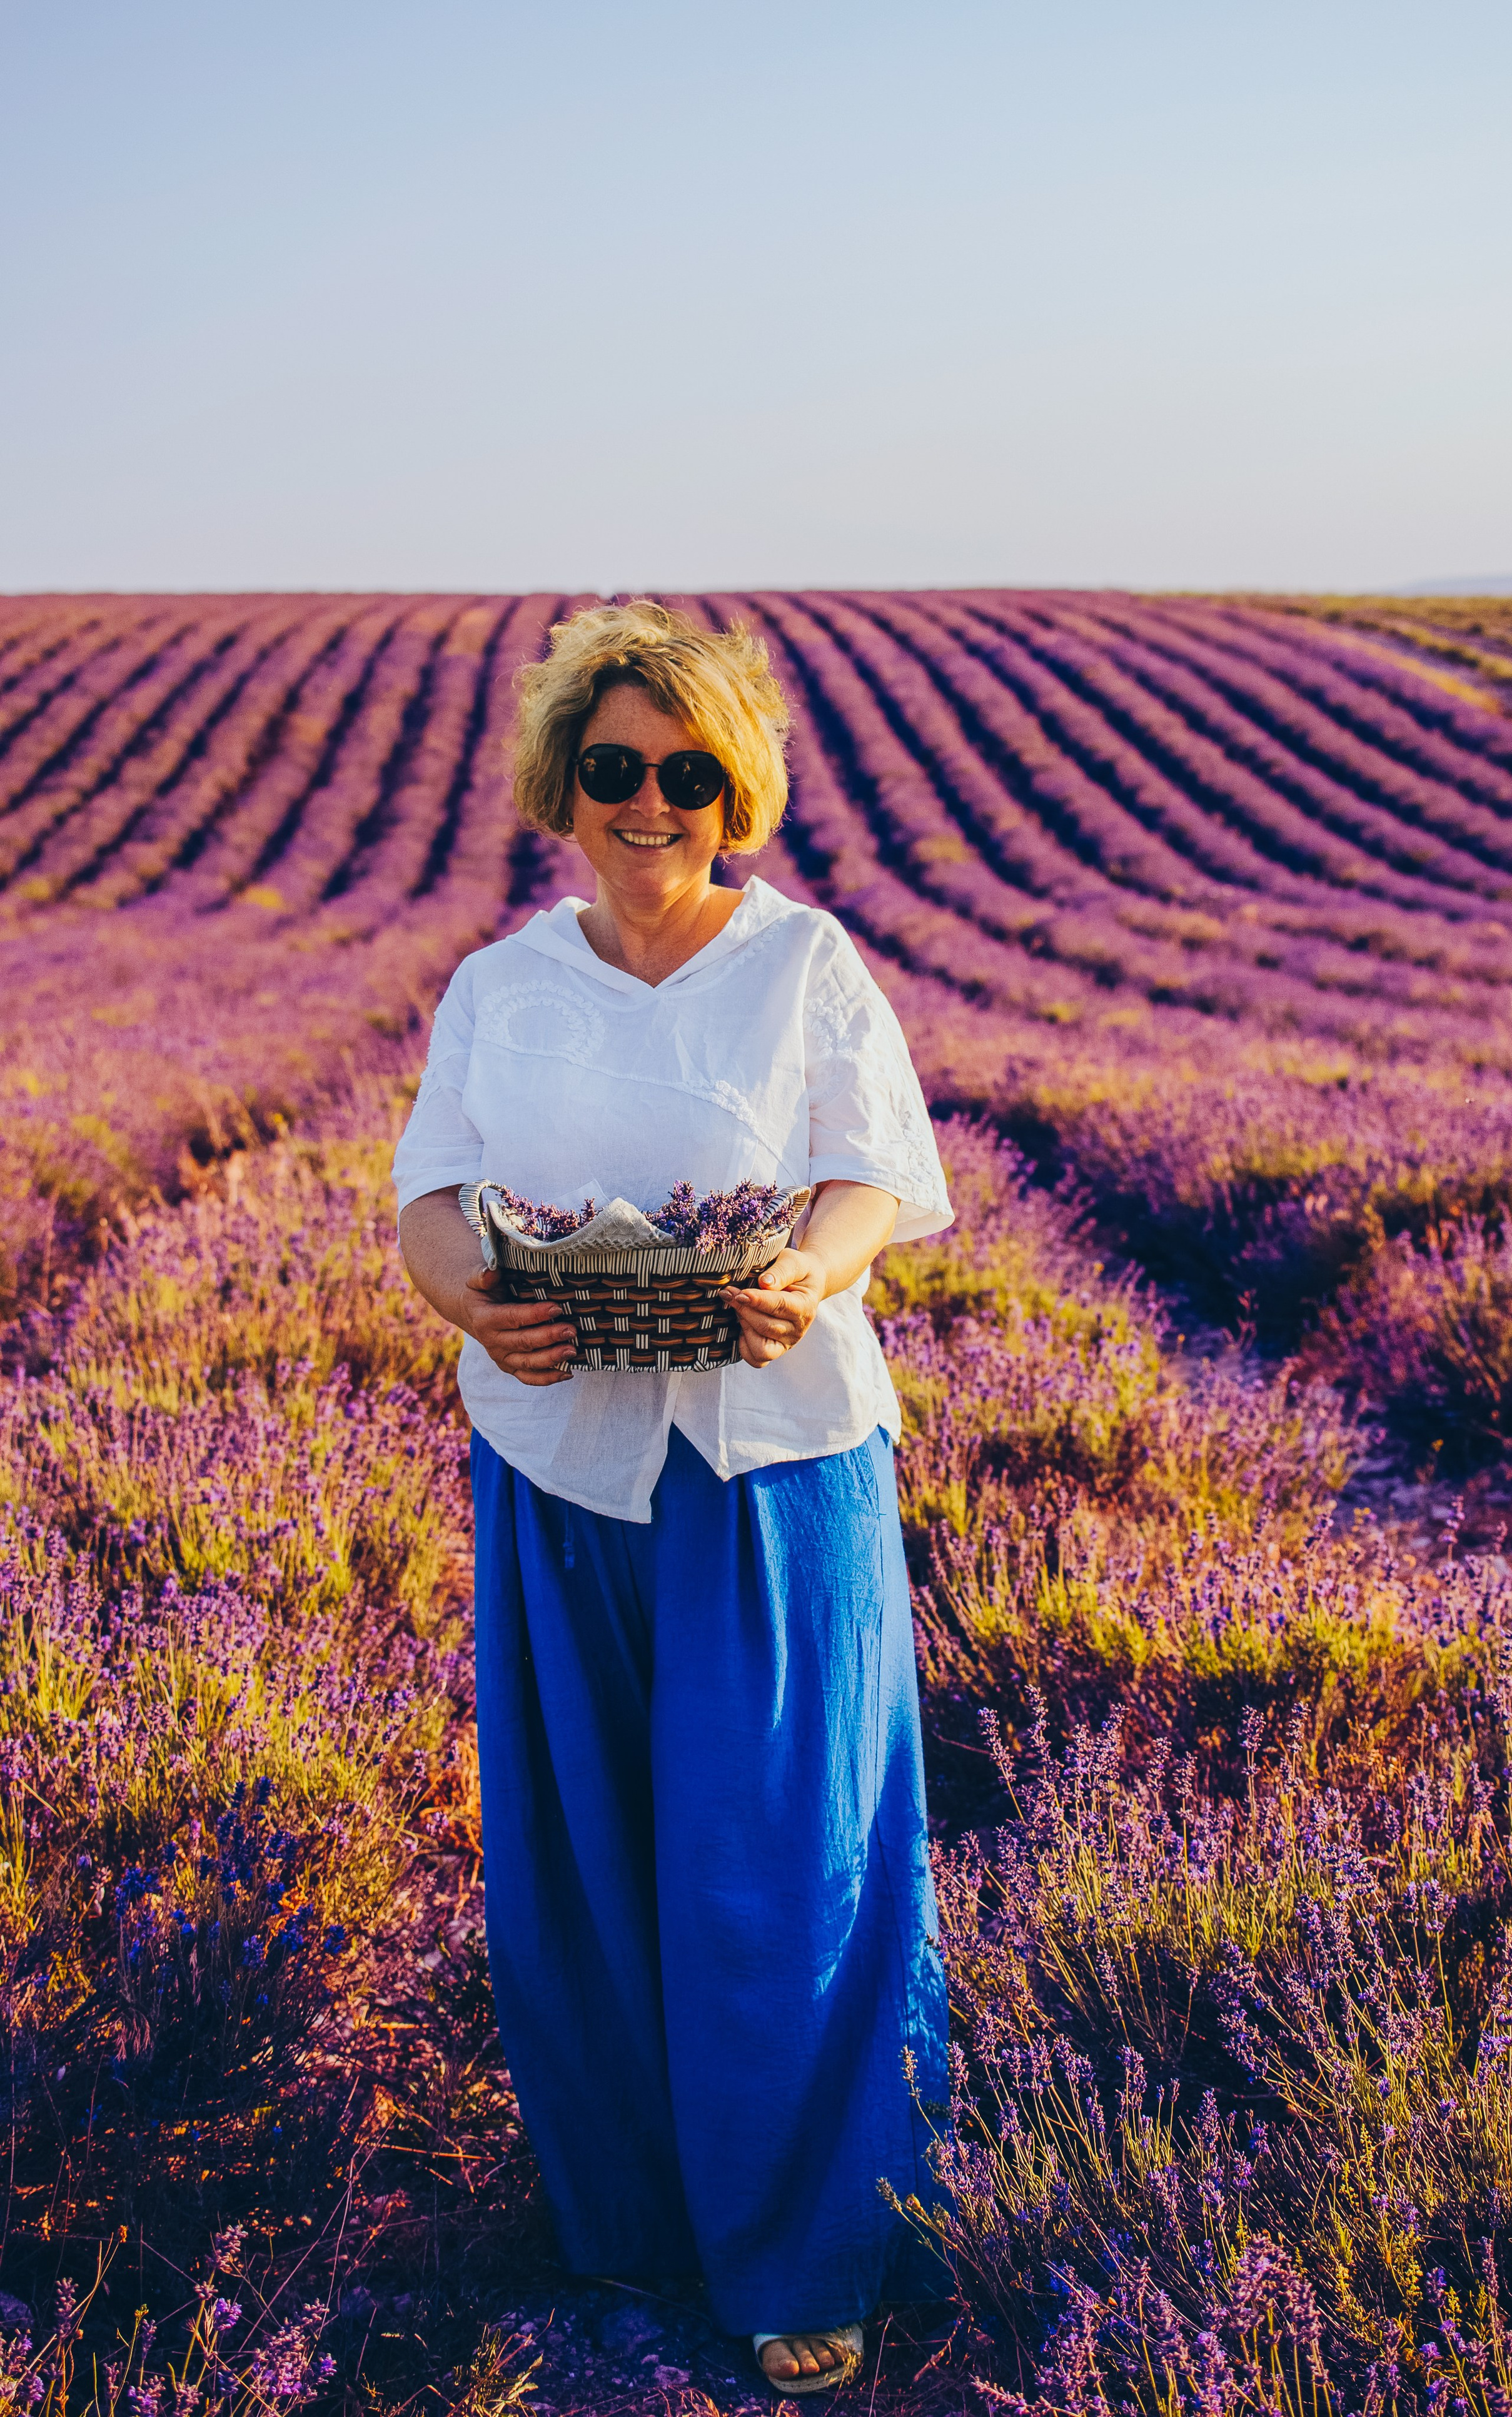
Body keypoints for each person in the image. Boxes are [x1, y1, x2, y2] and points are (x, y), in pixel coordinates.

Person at [393, 601, 950, 2396]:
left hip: (769, 1464)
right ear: (570, 782)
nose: (652, 805)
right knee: (583, 1856)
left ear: (738, 788)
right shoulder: (502, 986)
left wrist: (814, 1271)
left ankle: (807, 2251)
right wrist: (466, 1295)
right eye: (617, 768)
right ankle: (631, 2223)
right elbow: (430, 1193)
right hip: (560, 1466)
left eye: (689, 772)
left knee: (784, 1859)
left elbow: (875, 1178)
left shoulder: (806, 967)